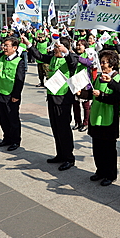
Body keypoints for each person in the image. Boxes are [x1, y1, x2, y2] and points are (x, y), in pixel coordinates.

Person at [25, 35, 79, 171]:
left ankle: (69, 158)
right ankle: (60, 154)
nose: (54, 49)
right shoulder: (53, 58)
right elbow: (40, 57)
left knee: (64, 128)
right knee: (55, 127)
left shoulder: (69, 59)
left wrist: (66, 51)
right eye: (54, 46)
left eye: (57, 47)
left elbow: (74, 62)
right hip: (52, 96)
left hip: (63, 99)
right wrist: (29, 45)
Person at [85, 50, 120, 186]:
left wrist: (101, 95)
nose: (101, 65)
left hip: (109, 119)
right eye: (101, 62)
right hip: (96, 116)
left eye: (104, 62)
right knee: (97, 147)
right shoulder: (99, 77)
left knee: (109, 149)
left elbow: (116, 97)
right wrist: (82, 93)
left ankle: (110, 174)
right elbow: (92, 93)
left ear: (112, 64)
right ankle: (100, 171)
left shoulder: (118, 79)